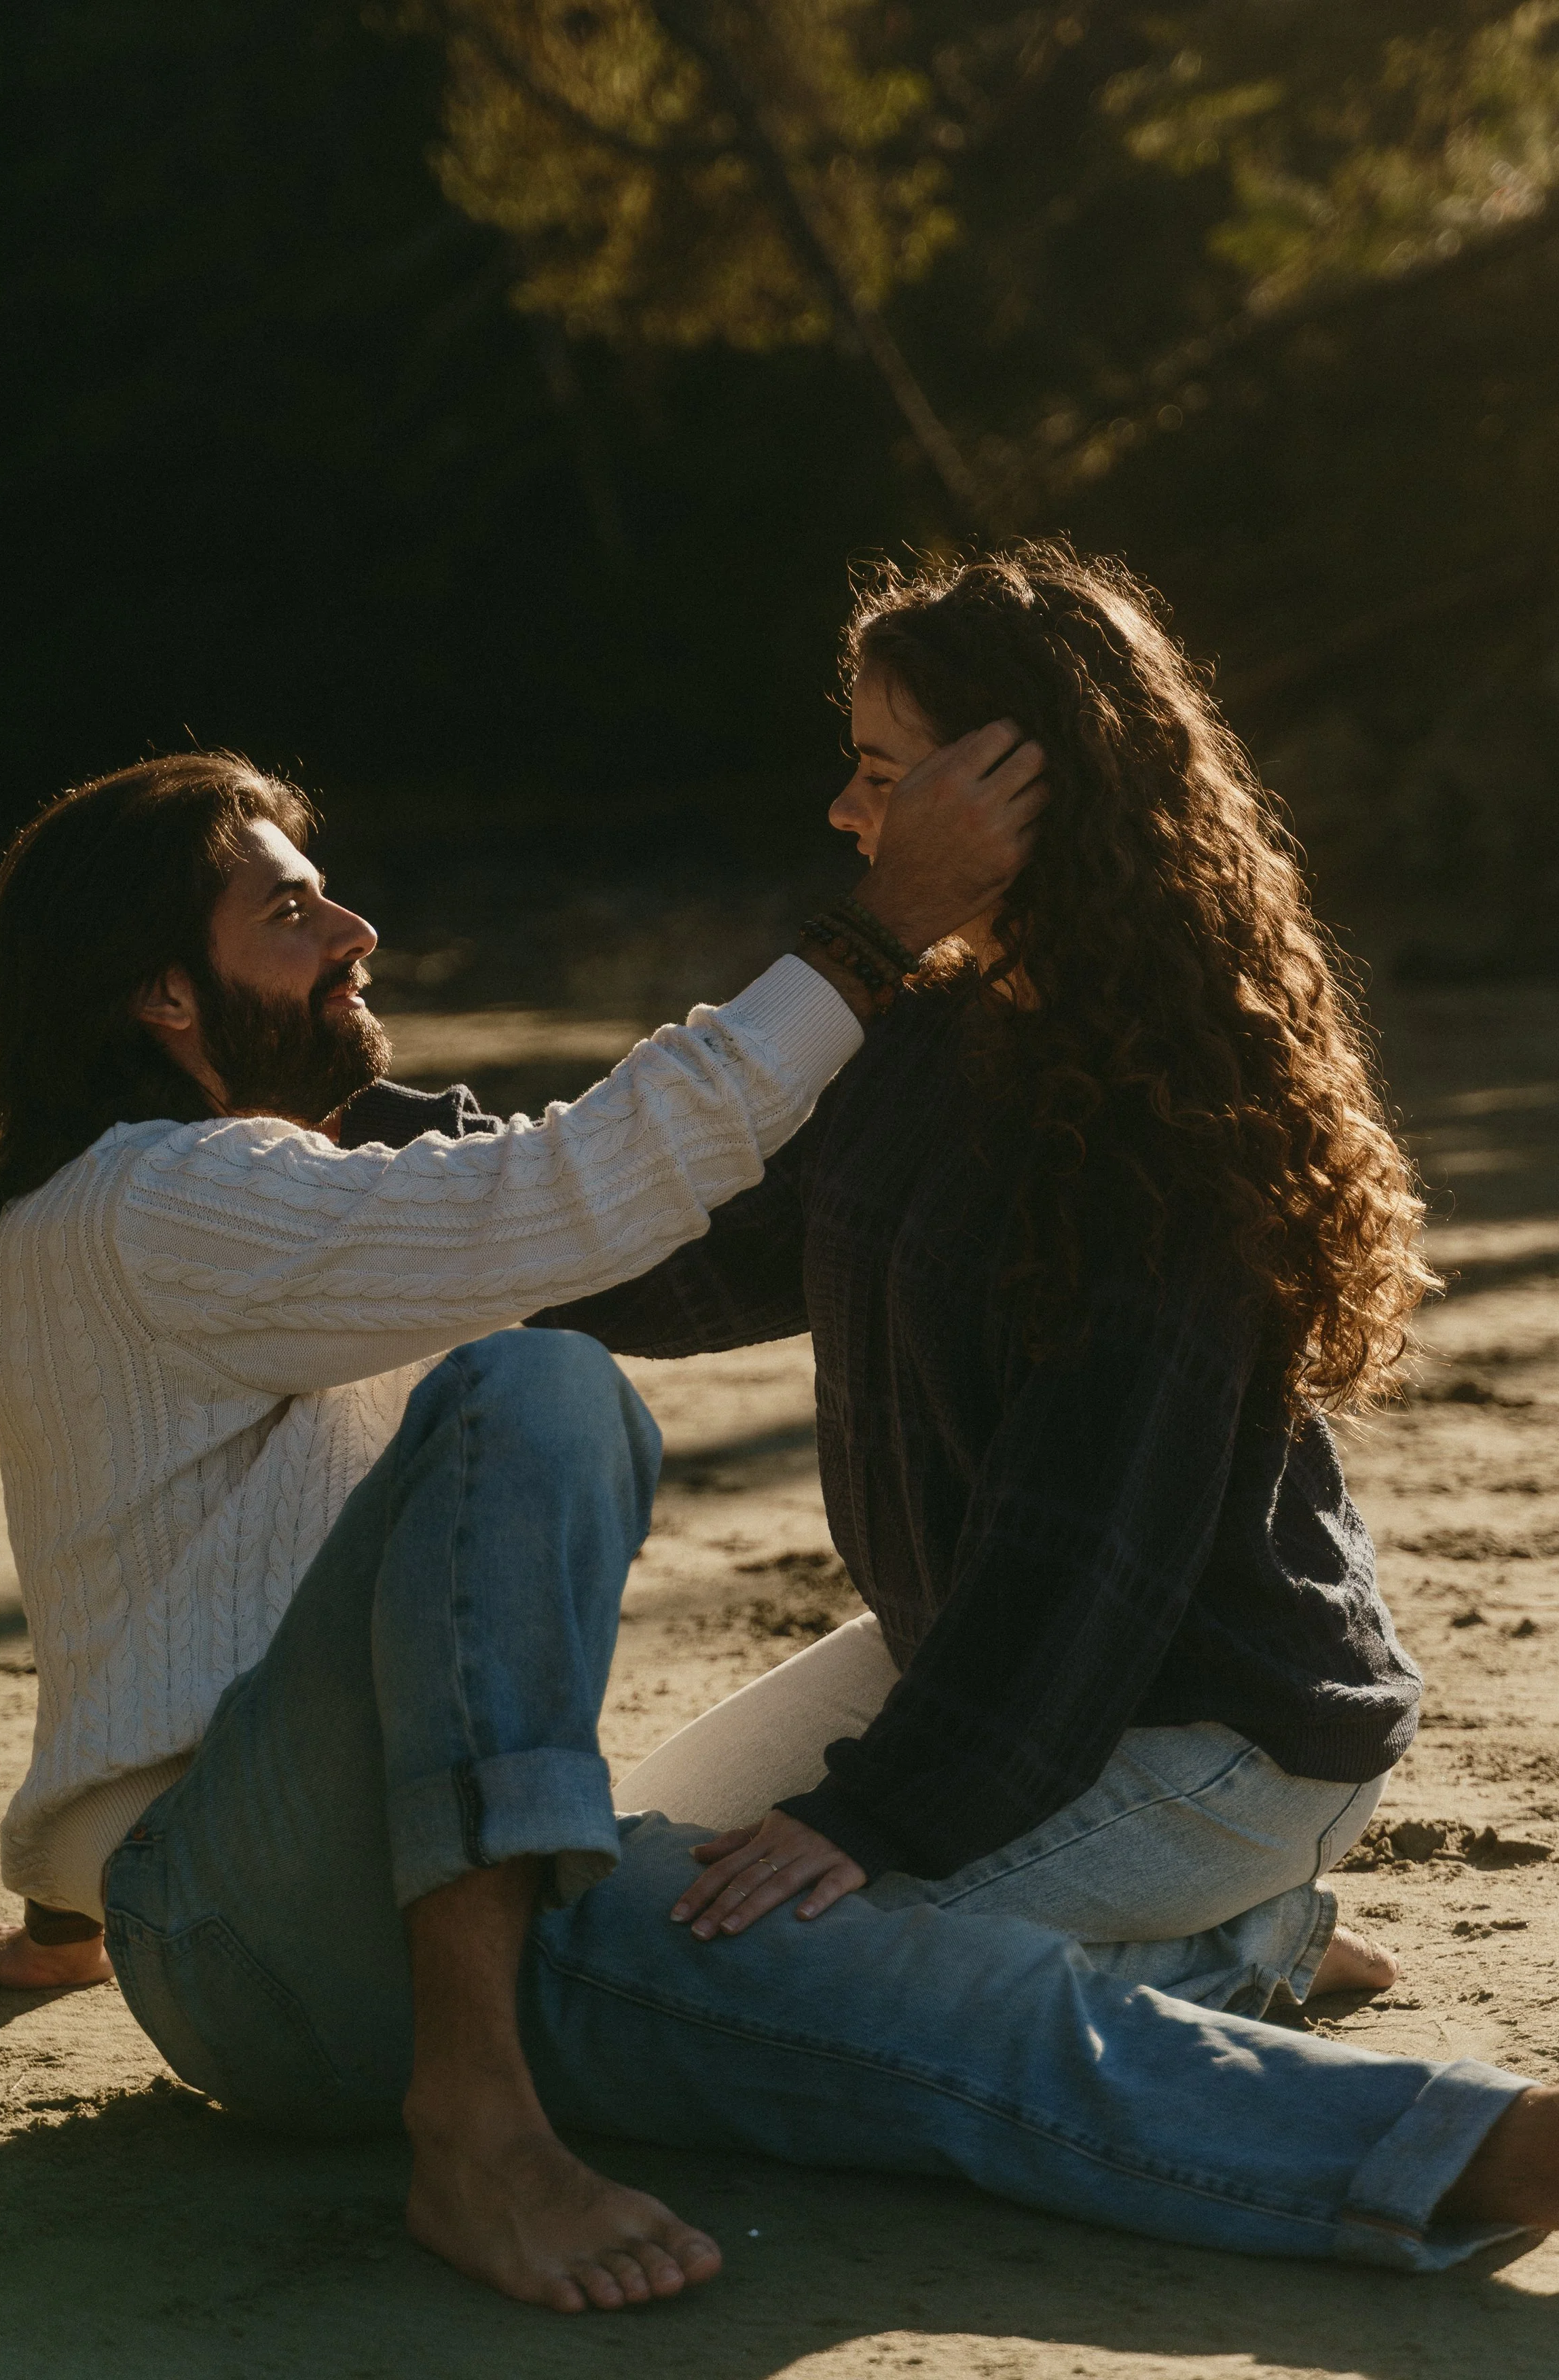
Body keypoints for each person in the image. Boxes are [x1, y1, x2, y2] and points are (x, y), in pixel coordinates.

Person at [0, 732, 1559, 2302]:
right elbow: (566, 1195)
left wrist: (71, 1906)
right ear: (159, 988)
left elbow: (147, 1583)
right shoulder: (167, 1196)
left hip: (327, 1889)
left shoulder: (210, 1211)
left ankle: (1228, 1948)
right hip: (288, 1937)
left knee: (816, 1861)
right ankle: (1503, 2145)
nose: (355, 927)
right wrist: (876, 932)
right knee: (539, 1391)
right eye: (292, 911)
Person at [527, 543, 1426, 2021]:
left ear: (1014, 791)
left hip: (1213, 1737)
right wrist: (382, 1175)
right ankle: (1119, 1936)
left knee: (704, 1975)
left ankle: (1232, 1942)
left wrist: (871, 1819)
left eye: (881, 775)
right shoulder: (927, 1041)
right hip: (982, 1665)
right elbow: (688, 1257)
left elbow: (1077, 1564)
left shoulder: (1160, 1139)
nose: (843, 812)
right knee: (609, 1887)